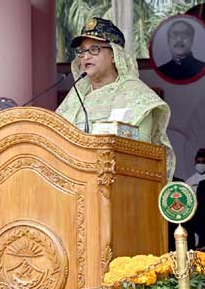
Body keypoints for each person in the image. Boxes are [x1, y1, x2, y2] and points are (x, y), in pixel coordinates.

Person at [56, 17, 176, 178]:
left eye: (94, 49)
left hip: (120, 185)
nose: (85, 56)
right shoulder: (75, 96)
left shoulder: (137, 95)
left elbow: (141, 150)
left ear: (115, 55)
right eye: (82, 51)